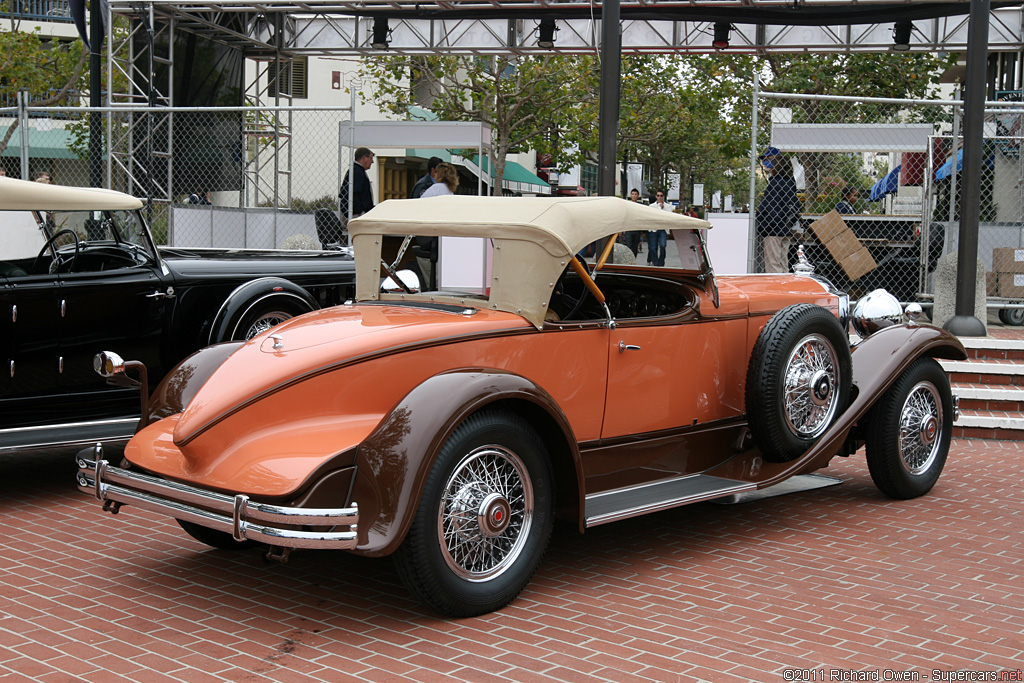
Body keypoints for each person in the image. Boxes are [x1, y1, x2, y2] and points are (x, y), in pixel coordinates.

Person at [756, 148, 800, 273]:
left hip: (773, 230)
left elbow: (771, 208)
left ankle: (776, 289)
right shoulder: (790, 183)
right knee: (783, 263)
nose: (766, 163)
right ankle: (784, 287)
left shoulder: (775, 184)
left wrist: (765, 225)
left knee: (773, 265)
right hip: (785, 228)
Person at [338, 147, 375, 220]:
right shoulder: (358, 172)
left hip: (352, 213)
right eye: (371, 158)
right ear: (364, 158)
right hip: (356, 215)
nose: (372, 161)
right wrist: (360, 212)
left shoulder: (355, 170)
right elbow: (353, 193)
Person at [646, 191, 671, 266]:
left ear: (663, 196)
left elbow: (670, 215)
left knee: (663, 245)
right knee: (653, 247)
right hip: (654, 228)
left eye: (661, 196)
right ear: (656, 196)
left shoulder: (668, 206)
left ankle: (661, 261)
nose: (659, 197)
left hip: (663, 228)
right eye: (658, 196)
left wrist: (663, 208)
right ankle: (656, 263)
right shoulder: (651, 206)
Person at [622, 188, 643, 256]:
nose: (634, 196)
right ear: (630, 195)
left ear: (638, 196)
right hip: (629, 228)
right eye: (632, 194)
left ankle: (633, 259)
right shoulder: (627, 204)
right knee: (629, 245)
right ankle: (629, 260)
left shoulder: (640, 205)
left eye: (635, 194)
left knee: (635, 246)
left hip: (637, 228)